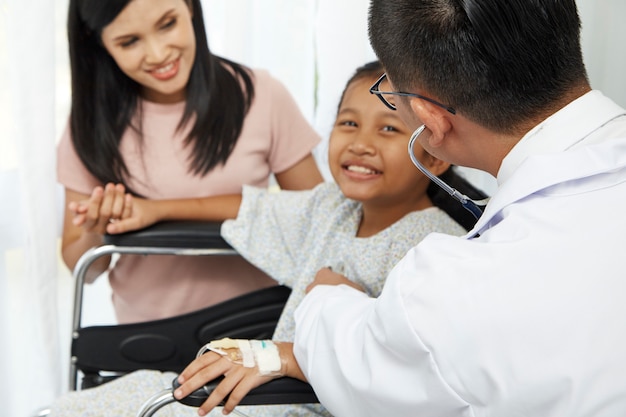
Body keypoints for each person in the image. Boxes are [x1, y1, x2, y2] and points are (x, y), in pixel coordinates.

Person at [48, 61, 480, 417]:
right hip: (259, 393)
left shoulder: (434, 249)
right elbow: (248, 208)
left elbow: (410, 375)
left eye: (389, 129)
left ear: (436, 154)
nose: (361, 143)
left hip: (300, 403)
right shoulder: (328, 209)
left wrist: (288, 351)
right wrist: (154, 209)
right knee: (77, 409)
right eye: (348, 122)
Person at [289, 1, 626, 417]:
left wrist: (326, 296)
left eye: (390, 110)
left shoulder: (450, 291)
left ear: (431, 120)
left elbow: (362, 372)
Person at [59, 0, 323, 324]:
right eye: (129, 42)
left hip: (258, 334)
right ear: (97, 40)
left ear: (190, 7)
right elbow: (83, 268)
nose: (158, 54)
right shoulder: (89, 124)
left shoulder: (261, 95)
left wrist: (158, 212)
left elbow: (320, 221)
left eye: (167, 24)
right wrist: (97, 230)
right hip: (147, 344)